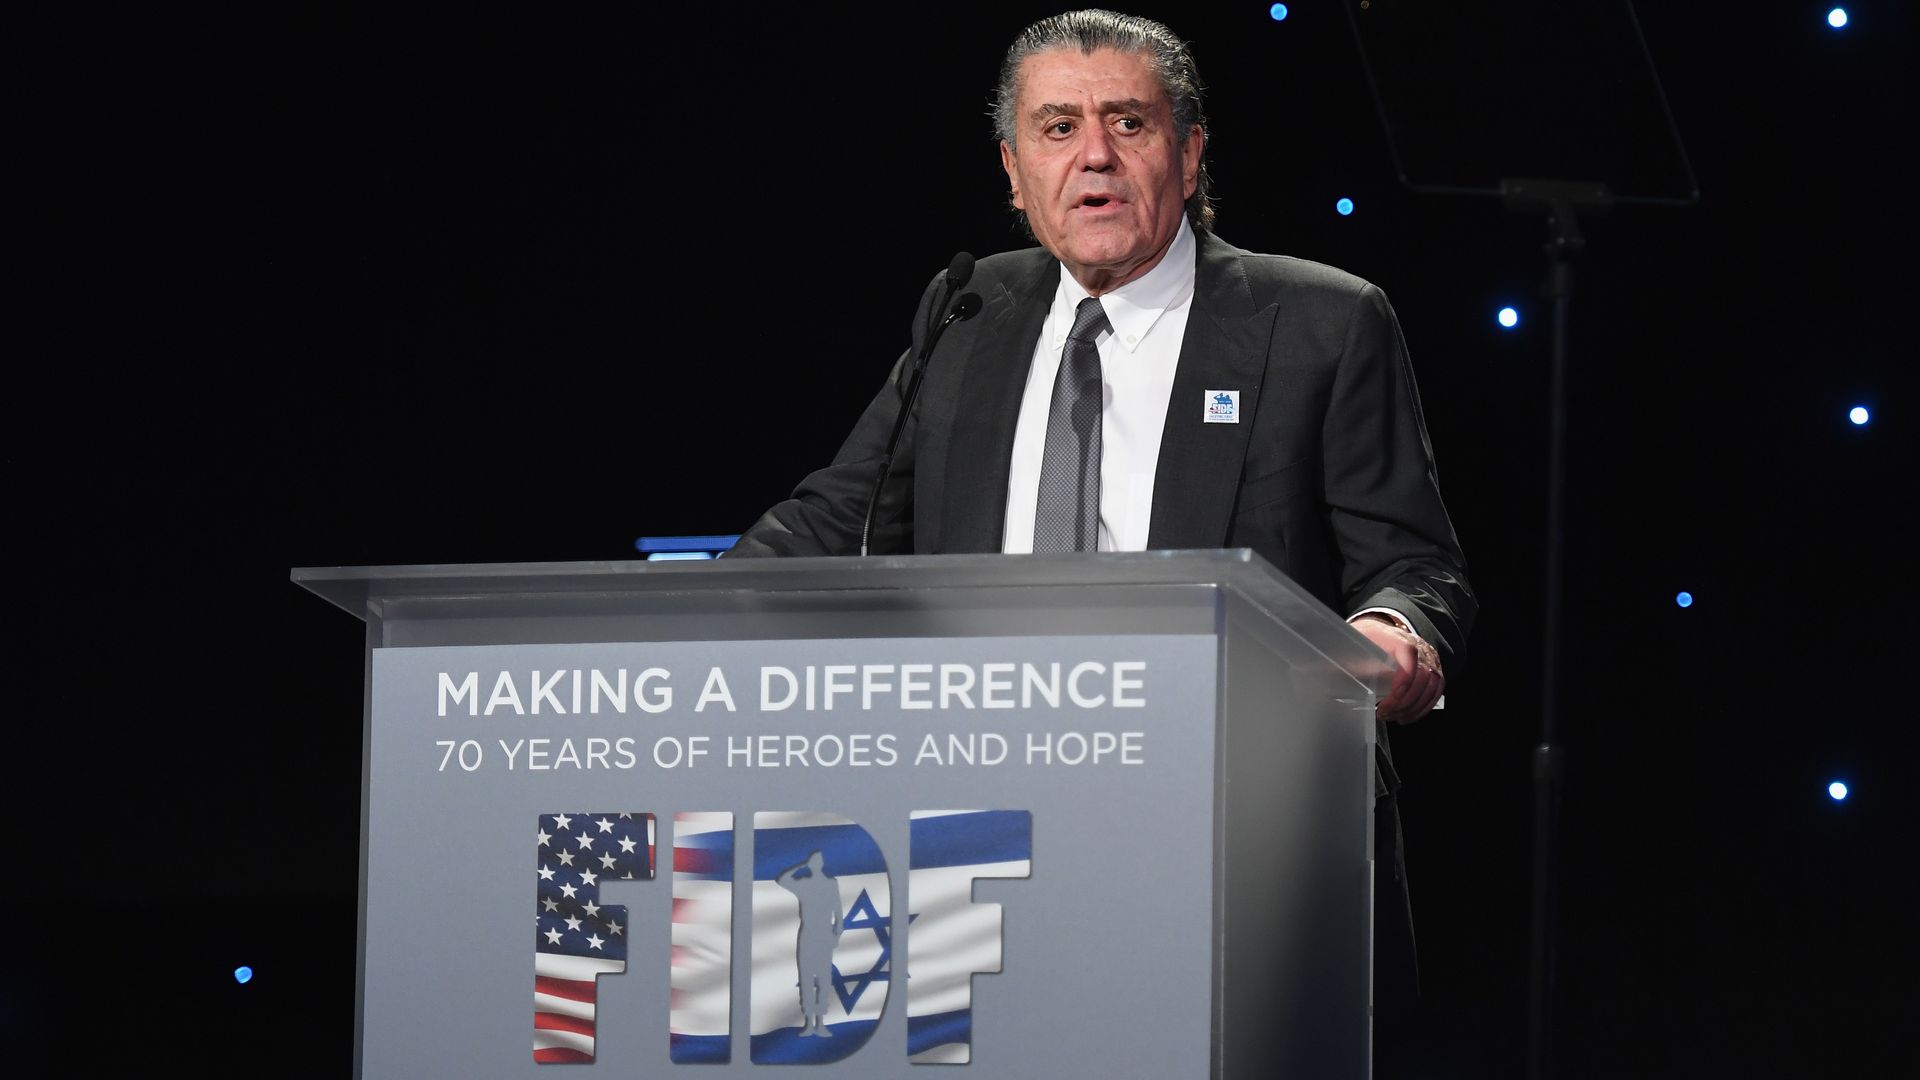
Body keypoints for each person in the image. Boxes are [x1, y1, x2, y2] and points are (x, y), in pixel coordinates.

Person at [728, 7, 1473, 1064]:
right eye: (1058, 127)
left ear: (1191, 152)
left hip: (1232, 834)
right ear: (1014, 165)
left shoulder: (1320, 322)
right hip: (978, 827)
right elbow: (830, 520)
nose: (1095, 157)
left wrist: (1394, 638)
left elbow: (1412, 563)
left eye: (1129, 123)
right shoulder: (968, 313)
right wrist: (684, 628)